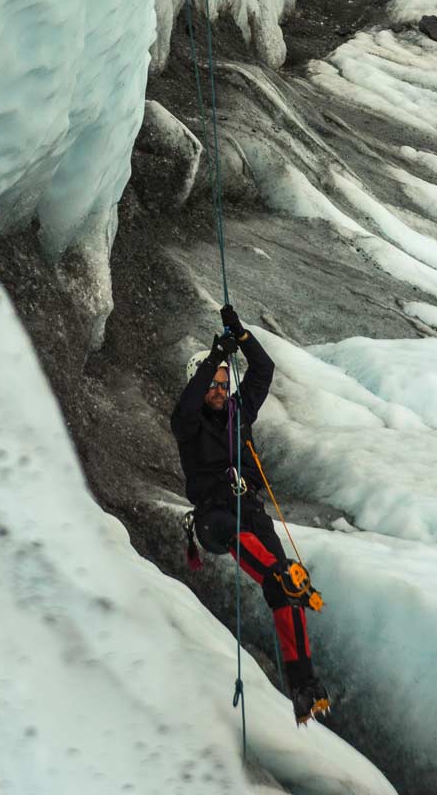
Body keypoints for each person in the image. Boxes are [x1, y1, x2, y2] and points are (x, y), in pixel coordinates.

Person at [171, 305, 330, 725]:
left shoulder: (238, 414)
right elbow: (188, 404)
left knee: (286, 584)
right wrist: (211, 359)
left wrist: (240, 337)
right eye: (214, 385)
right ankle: (274, 575)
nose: (220, 391)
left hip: (249, 511)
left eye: (225, 384)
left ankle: (304, 685)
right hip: (213, 519)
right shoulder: (188, 423)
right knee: (268, 566)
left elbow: (263, 369)